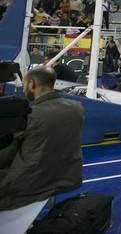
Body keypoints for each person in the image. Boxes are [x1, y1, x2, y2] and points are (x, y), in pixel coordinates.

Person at [0, 67, 83, 210]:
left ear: (32, 84)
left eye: (24, 84)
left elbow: (6, 154)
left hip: (29, 183)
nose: (23, 89)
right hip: (67, 177)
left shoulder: (30, 116)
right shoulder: (77, 107)